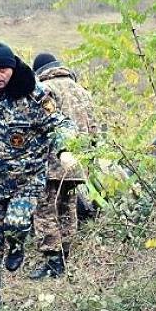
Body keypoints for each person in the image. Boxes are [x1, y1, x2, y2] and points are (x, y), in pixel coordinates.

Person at [0, 43, 76, 311]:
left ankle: (18, 244)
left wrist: (65, 148)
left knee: (17, 222)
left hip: (26, 177)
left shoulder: (33, 94)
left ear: (13, 68)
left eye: (3, 70)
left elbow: (60, 124)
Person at [30, 53, 99, 279]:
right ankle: (65, 255)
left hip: (51, 161)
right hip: (77, 162)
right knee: (68, 207)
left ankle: (52, 261)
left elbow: (41, 126)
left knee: (45, 209)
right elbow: (96, 129)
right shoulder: (82, 91)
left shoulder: (45, 90)